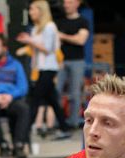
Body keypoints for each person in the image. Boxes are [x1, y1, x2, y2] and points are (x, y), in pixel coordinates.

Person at [17, 0, 72, 141]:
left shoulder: (49, 27)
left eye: (33, 10)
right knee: (52, 100)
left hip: (49, 68)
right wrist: (27, 45)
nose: (31, 12)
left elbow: (47, 49)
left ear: (41, 11)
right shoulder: (36, 28)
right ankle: (65, 128)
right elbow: (36, 48)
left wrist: (30, 41)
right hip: (40, 68)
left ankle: (23, 134)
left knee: (34, 100)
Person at [55, 0, 89, 129]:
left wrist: (62, 36)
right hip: (61, 61)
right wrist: (72, 38)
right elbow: (55, 40)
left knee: (75, 93)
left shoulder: (83, 21)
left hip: (77, 61)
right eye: (65, 3)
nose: (65, 5)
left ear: (77, 4)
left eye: (69, 2)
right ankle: (59, 122)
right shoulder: (59, 21)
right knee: (57, 92)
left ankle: (74, 122)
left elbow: (81, 40)